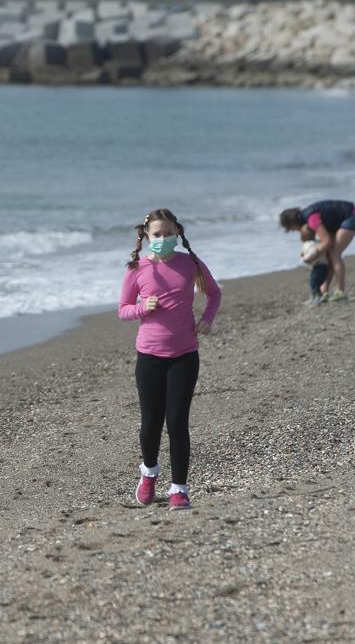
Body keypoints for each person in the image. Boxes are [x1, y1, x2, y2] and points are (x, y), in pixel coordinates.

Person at [118, 208, 222, 511]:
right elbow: (122, 308)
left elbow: (213, 294)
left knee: (177, 422)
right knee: (151, 424)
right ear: (146, 237)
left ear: (178, 233)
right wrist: (141, 308)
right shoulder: (137, 268)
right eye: (157, 235)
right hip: (149, 357)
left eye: (168, 234)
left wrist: (208, 319)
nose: (163, 239)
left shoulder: (190, 263)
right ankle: (149, 473)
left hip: (184, 355)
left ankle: (179, 489)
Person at [278, 200, 355, 302]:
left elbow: (327, 242)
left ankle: (340, 292)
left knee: (334, 253)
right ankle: (324, 290)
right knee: (329, 254)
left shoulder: (312, 219)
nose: (294, 231)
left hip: (351, 215)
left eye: (291, 229)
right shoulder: (307, 216)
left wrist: (313, 254)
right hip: (337, 220)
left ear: (293, 223)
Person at [299, 225, 330, 306]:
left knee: (314, 282)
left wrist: (306, 259)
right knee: (314, 282)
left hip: (320, 266)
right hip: (320, 266)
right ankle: (315, 297)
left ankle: (318, 297)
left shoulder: (311, 244)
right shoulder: (316, 242)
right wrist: (303, 254)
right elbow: (305, 252)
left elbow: (313, 252)